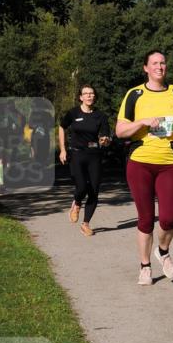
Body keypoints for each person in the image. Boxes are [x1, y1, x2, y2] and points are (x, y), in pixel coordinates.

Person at [116, 51, 173, 284]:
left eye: (163, 63)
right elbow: (119, 131)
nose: (160, 67)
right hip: (140, 162)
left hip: (169, 162)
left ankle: (164, 251)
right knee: (146, 219)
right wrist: (142, 122)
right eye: (155, 63)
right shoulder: (134, 95)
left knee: (168, 219)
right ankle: (145, 266)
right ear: (145, 68)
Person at [59, 86, 111, 237]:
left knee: (94, 191)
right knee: (81, 187)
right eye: (86, 94)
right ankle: (76, 202)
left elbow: (105, 136)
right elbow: (62, 127)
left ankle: (86, 223)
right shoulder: (73, 113)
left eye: (92, 93)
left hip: (94, 155)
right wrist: (63, 149)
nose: (89, 96)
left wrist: (105, 140)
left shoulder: (100, 116)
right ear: (80, 97)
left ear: (95, 97)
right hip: (77, 155)